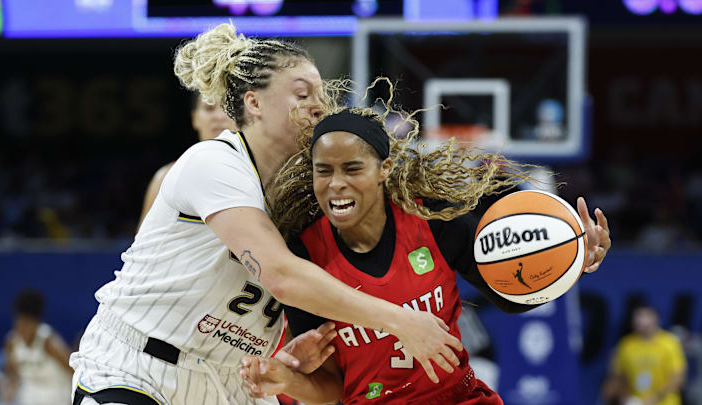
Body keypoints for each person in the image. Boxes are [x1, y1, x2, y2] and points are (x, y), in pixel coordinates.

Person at [70, 23, 462, 405]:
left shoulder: (309, 195)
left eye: (321, 95)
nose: (317, 106)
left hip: (234, 384)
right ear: (254, 103)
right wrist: (401, 321)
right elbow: (280, 275)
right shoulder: (214, 161)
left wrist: (286, 359)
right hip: (141, 369)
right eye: (301, 93)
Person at [238, 96, 612, 404]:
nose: (336, 184)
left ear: (384, 169)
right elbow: (331, 386)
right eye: (324, 171)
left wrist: (569, 262)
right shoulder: (303, 254)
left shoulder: (430, 218)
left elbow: (511, 296)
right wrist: (286, 381)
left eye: (352, 169)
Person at [138, 92, 236, 227]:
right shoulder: (165, 177)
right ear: (195, 118)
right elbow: (145, 245)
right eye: (209, 108)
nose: (219, 117)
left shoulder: (260, 176)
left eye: (227, 108)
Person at [602, 306, 687, 405]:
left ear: (656, 319)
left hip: (666, 402)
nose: (638, 320)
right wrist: (625, 397)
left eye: (644, 316)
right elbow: (619, 376)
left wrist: (656, 397)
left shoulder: (669, 343)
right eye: (636, 317)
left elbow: (678, 378)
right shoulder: (626, 345)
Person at [5, 289, 73, 405]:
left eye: (28, 324)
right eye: (21, 323)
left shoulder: (47, 340)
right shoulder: (12, 342)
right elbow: (11, 371)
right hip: (30, 390)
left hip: (56, 391)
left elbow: (72, 367)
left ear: (36, 323)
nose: (24, 329)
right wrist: (11, 388)